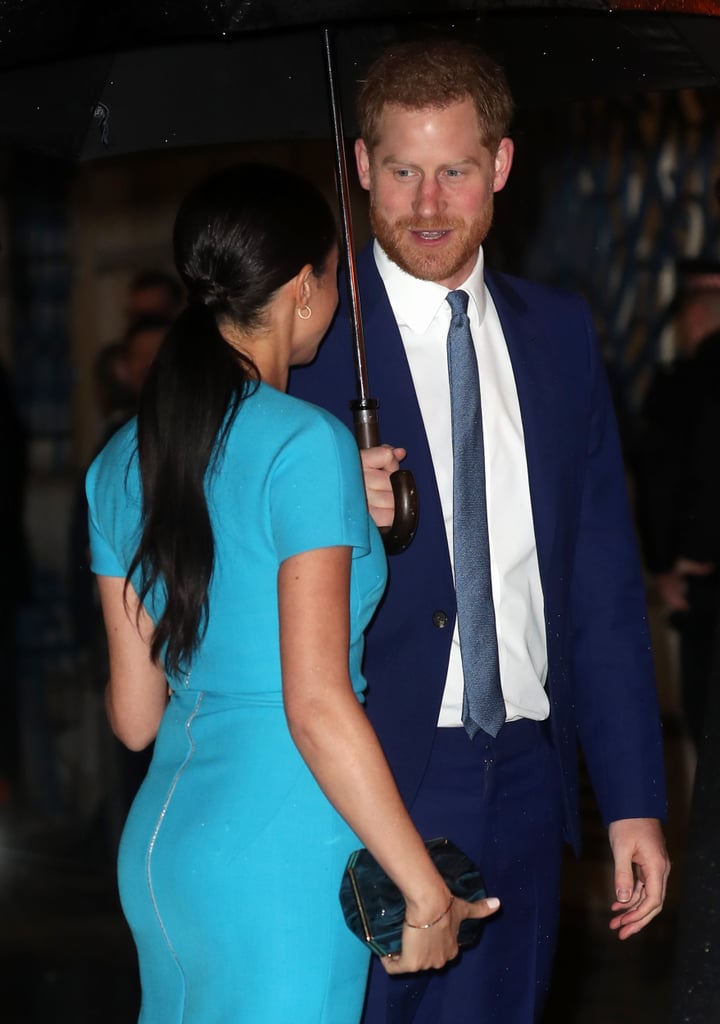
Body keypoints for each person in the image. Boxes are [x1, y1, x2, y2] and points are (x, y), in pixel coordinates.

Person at [291, 38, 670, 1024]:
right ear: (361, 168)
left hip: (528, 779)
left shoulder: (559, 332)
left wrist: (632, 797)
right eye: (404, 172)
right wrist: (334, 503)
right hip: (366, 775)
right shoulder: (305, 339)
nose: (428, 204)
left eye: (454, 171)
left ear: (500, 165)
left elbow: (600, 583)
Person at [85, 163, 498, 1023]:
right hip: (282, 847)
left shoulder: (121, 461)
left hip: (164, 848)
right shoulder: (305, 445)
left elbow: (134, 716)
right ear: (306, 288)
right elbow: (315, 704)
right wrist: (424, 892)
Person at [634, 258, 720, 748]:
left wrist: (667, 563)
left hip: (701, 585)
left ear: (694, 317)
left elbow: (662, 480)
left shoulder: (681, 388)